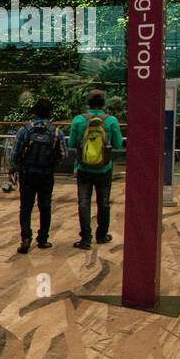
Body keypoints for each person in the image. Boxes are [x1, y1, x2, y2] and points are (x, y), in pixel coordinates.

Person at [69, 89, 123, 249]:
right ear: (103, 103)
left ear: (88, 103)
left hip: (83, 168)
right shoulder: (111, 121)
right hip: (104, 169)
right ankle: (101, 235)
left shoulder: (78, 120)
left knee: (84, 203)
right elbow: (119, 144)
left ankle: (85, 239)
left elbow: (71, 143)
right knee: (104, 203)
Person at [11, 98, 66, 254]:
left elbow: (16, 152)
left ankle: (26, 237)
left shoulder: (25, 130)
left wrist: (14, 167)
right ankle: (43, 239)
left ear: (34, 112)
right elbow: (63, 153)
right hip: (46, 174)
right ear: (50, 113)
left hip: (27, 174)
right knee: (45, 206)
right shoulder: (56, 132)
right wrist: (52, 163)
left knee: (26, 206)